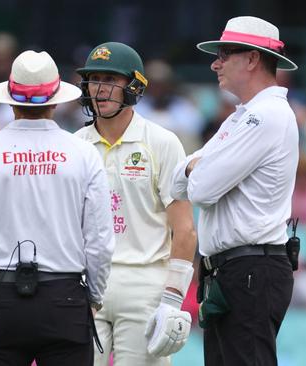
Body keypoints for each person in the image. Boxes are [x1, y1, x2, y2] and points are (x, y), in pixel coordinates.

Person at [0, 50, 114, 366]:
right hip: (65, 296)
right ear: (55, 101)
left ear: (11, 101)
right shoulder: (82, 153)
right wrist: (93, 298)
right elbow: (99, 241)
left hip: (1, 297)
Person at [171, 16, 299, 366]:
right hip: (236, 271)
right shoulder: (243, 116)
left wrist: (196, 167)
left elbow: (201, 189)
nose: (216, 62)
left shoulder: (266, 115)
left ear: (253, 59)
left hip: (250, 269)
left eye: (225, 54)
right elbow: (177, 180)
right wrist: (194, 168)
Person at [74, 42, 197, 366]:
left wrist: (172, 300)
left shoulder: (161, 142)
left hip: (144, 284)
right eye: (94, 79)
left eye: (110, 79)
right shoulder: (73, 146)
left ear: (134, 86)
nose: (99, 89)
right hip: (85, 284)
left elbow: (184, 230)